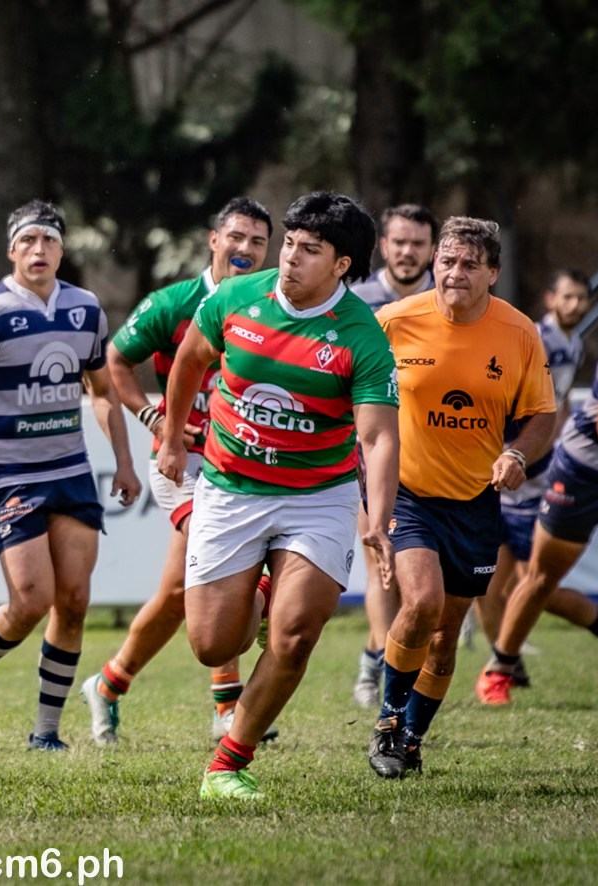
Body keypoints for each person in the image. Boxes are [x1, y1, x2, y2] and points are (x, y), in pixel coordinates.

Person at [156, 191, 401, 800]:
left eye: (308, 249)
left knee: (295, 634)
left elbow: (378, 437)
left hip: (318, 495)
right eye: (289, 243)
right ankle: (264, 588)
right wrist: (169, 439)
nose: (289, 257)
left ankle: (229, 764)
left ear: (342, 264)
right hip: (231, 487)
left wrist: (380, 516)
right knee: (214, 642)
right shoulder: (237, 300)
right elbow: (188, 361)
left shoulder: (360, 335)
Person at [0, 200, 141, 751]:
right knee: (29, 600)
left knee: (73, 600)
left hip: (70, 470)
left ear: (63, 251)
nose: (38, 250)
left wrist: (125, 461)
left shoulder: (86, 309)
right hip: (11, 476)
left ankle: (45, 733)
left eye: (48, 241)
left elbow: (102, 392)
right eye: (27, 241)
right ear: (11, 250)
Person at [77, 197, 278, 746]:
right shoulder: (175, 303)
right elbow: (116, 360)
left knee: (175, 598)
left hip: (244, 463)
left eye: (258, 242)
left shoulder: (272, 304)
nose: (246, 249)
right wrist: (153, 417)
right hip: (183, 460)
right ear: (213, 240)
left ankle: (109, 683)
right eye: (236, 237)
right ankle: (228, 708)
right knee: (224, 562)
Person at [365, 217, 556, 780]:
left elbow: (542, 415)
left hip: (475, 500)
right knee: (420, 604)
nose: (455, 273)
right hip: (409, 492)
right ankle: (388, 721)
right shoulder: (394, 322)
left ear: (493, 273)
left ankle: (413, 740)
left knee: (447, 636)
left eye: (470, 264)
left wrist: (517, 454)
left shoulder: (519, 333)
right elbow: (352, 391)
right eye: (447, 261)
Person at [474, 271, 598, 702]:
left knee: (533, 582)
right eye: (568, 297)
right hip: (510, 471)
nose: (576, 305)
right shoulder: (536, 338)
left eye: (582, 298)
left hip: (533, 479)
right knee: (489, 584)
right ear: (550, 298)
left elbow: (552, 405)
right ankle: (508, 662)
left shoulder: (571, 342)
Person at [350, 203, 438, 709]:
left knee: (421, 581)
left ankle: (374, 657)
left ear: (430, 249)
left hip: (436, 455)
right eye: (399, 242)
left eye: (418, 244)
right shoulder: (357, 300)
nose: (407, 252)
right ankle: (383, 663)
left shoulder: (444, 301)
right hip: (372, 453)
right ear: (384, 245)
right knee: (381, 561)